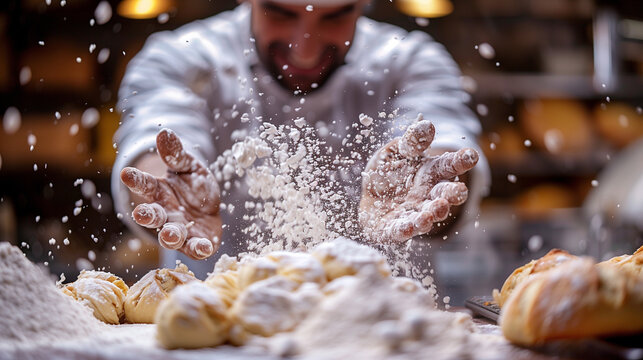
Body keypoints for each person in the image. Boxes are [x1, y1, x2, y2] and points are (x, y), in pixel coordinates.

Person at [112, 0, 490, 278]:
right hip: (216, 340)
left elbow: (444, 140)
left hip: (384, 337)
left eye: (336, 15)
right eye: (280, 12)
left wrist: (429, 185)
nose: (304, 51)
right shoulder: (180, 57)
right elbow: (154, 142)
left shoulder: (411, 61)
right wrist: (165, 189)